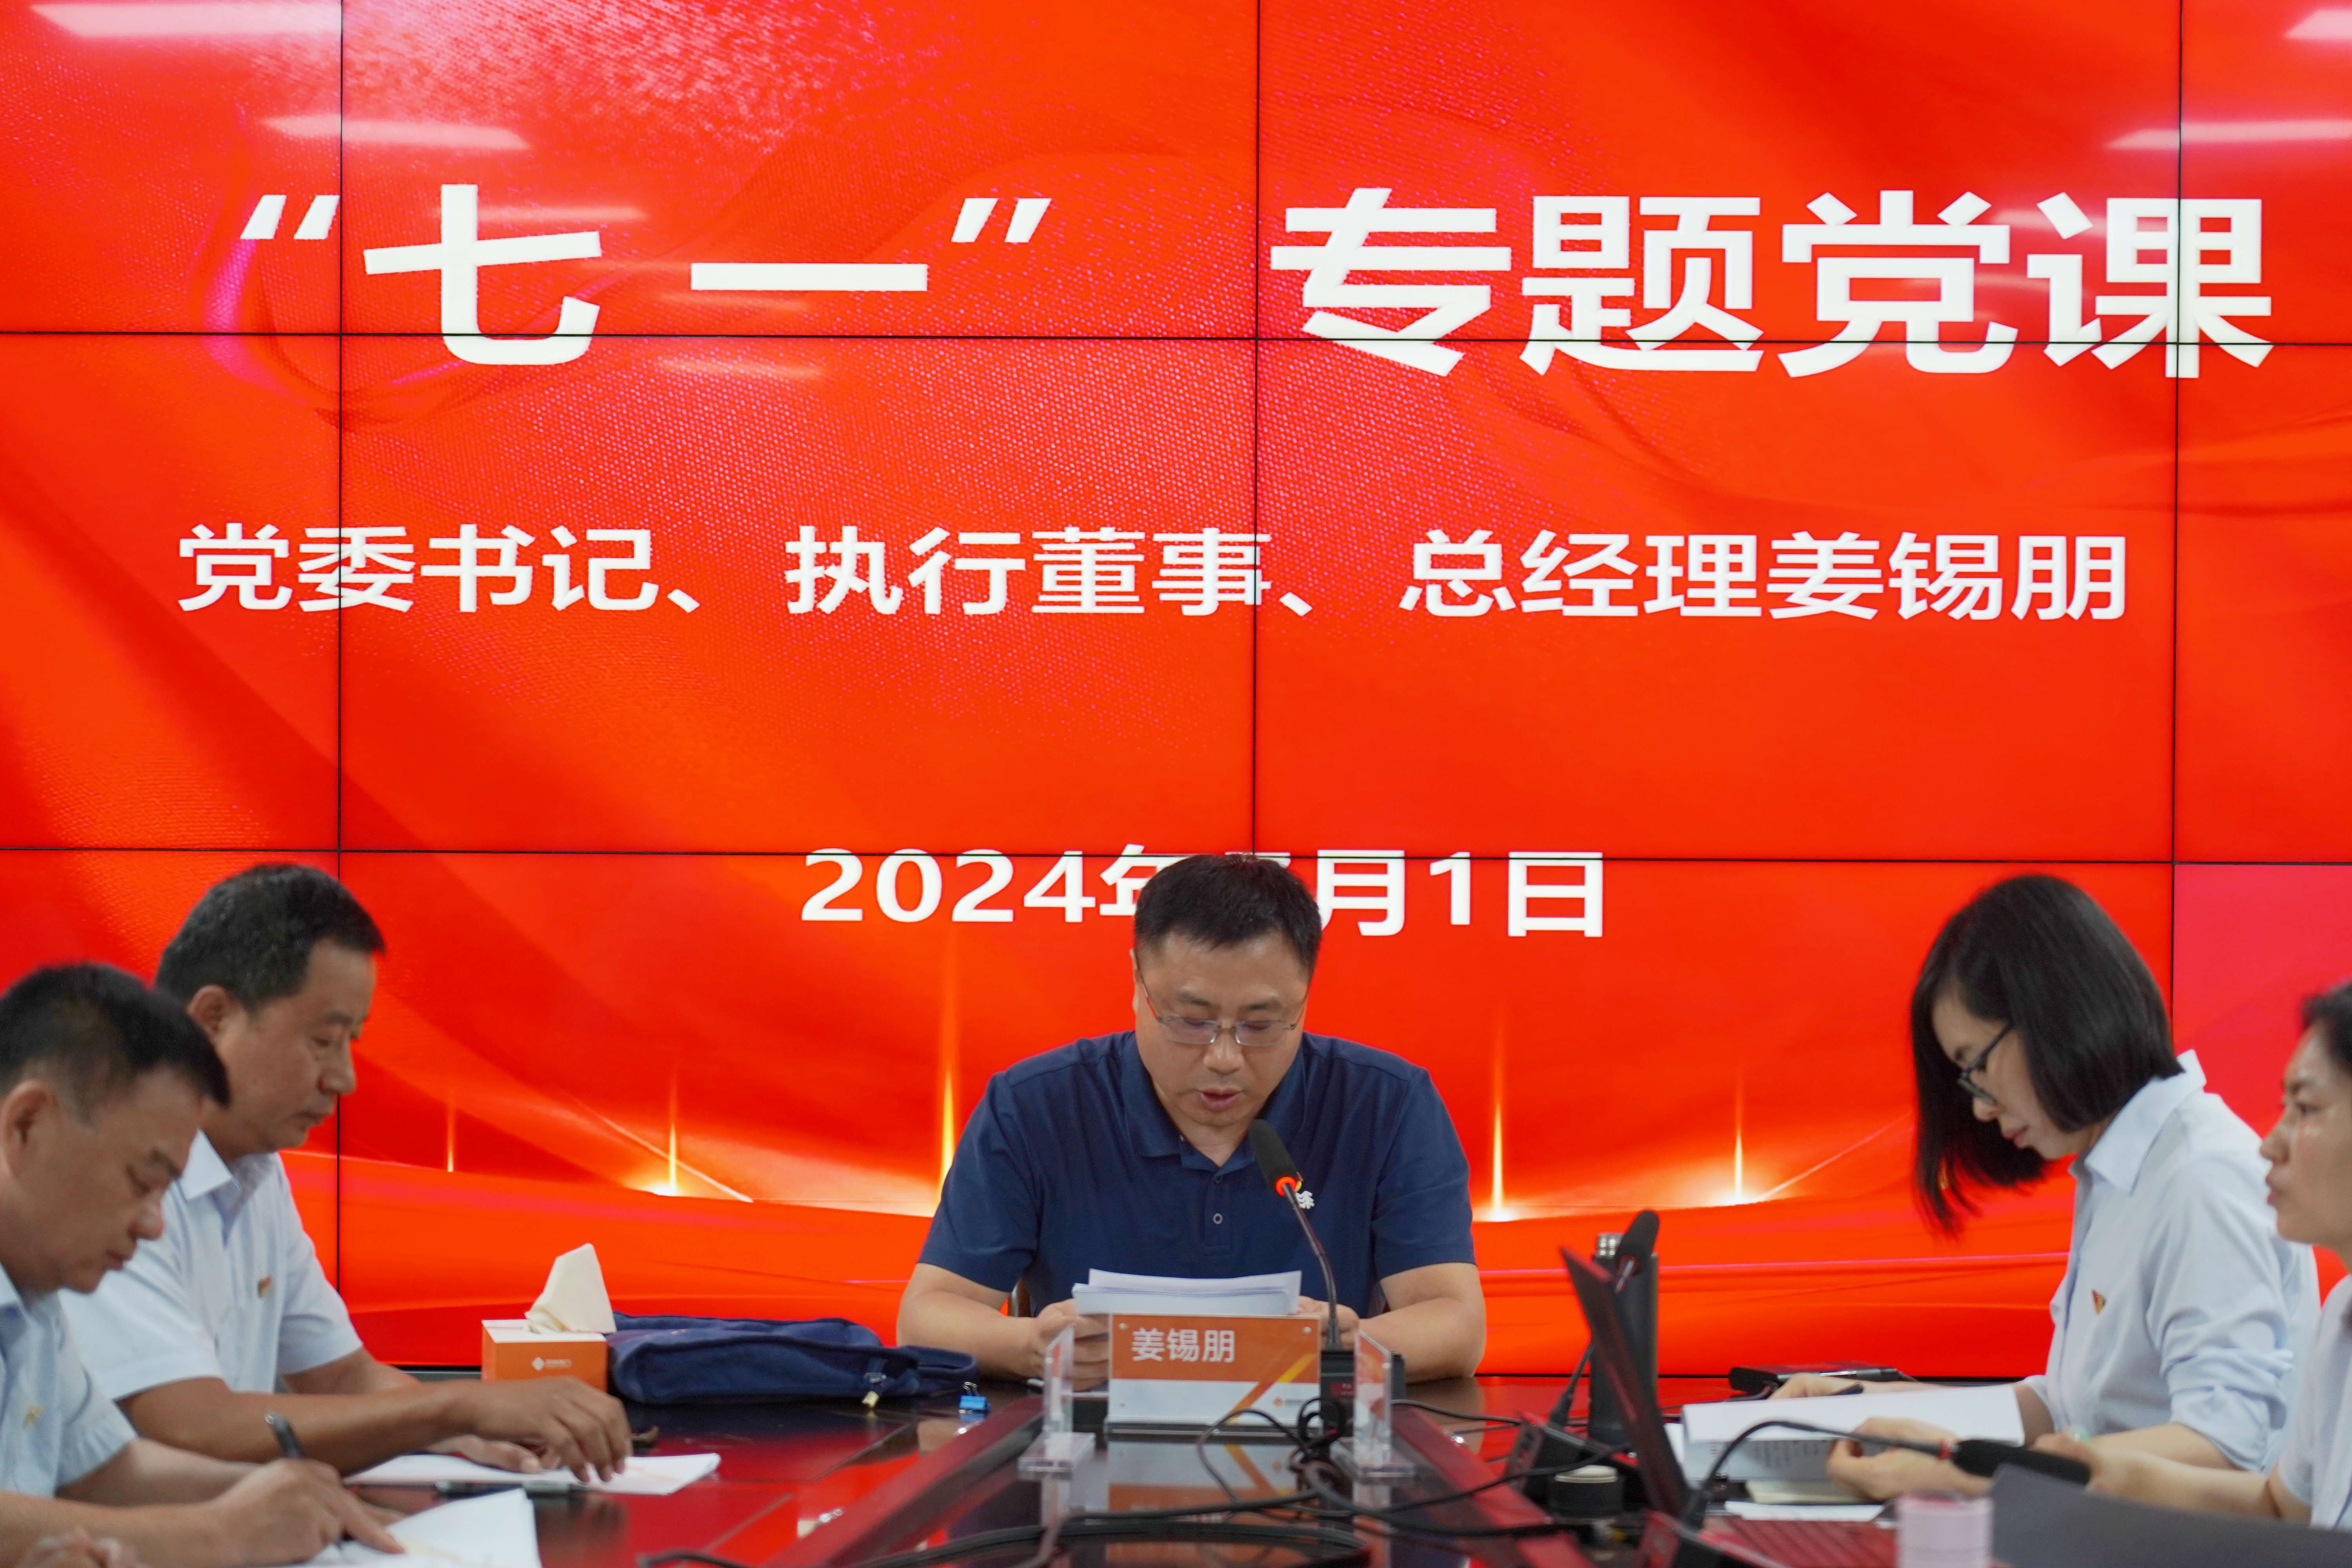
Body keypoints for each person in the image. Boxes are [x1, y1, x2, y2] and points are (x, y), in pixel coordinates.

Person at [63, 864, 631, 1479]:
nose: (344, 1078)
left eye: (350, 1042)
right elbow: (194, 1427)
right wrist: (458, 1407)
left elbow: (340, 1375)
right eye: (323, 1041)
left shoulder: (255, 1169)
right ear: (213, 1019)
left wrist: (472, 1431)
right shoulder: (105, 1173)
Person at [1779, 875, 2318, 1499]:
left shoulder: (2202, 1178)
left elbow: (2220, 1444)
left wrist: (1971, 1475)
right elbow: (2066, 1412)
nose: (1980, 1107)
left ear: (2056, 1014)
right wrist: (1862, 1409)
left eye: (1976, 1065)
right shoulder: (2117, 1171)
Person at [897, 854, 1484, 1383]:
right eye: (1191, 1021)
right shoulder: (1035, 1105)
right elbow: (928, 1313)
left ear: (1305, 998)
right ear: (1137, 983)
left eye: (1260, 1024)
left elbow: (1455, 1323)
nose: (1224, 1057)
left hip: (1315, 1439)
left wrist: (1344, 1348)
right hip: (1088, 1436)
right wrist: (1032, 1347)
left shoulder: (1386, 1104)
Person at [0, 962, 399, 1566]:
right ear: (27, 1124)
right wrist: (218, 1533)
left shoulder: (36, 1291)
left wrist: (285, 1495)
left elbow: (103, 1468)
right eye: (142, 1181)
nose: (154, 1224)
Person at [2034, 980, 2352, 1525]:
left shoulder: (2201, 1174)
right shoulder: (2341, 1316)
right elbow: (2282, 1508)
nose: (2269, 1144)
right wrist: (2102, 1470)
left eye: (2305, 1109)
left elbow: (2227, 1442)